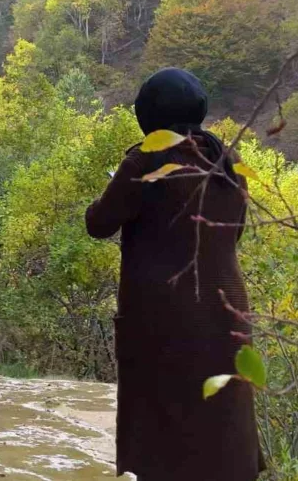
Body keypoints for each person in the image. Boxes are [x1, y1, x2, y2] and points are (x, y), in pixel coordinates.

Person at [85, 68, 264, 481]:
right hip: (227, 311)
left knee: (163, 431)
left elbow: (98, 223)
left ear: (148, 114)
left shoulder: (146, 160)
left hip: (166, 317)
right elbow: (231, 231)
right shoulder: (228, 160)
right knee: (224, 421)